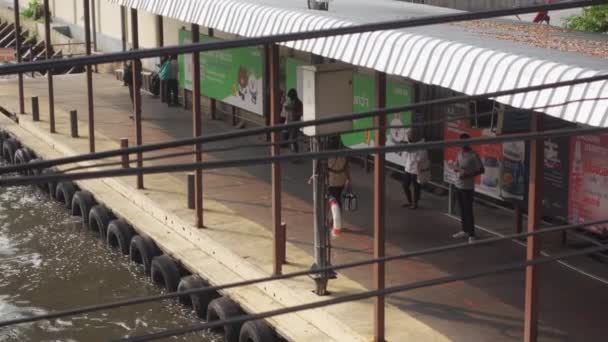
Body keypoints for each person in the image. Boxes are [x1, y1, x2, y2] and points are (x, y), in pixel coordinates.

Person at [451, 133, 485, 243]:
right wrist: (455, 168)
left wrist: (468, 175)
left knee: (468, 210)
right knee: (461, 209)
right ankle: (464, 230)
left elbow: (481, 170)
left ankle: (472, 234)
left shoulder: (474, 155)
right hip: (458, 185)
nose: (462, 144)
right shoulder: (459, 153)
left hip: (468, 187)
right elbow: (456, 166)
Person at [401, 129, 429, 209]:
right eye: (408, 136)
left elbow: (422, 158)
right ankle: (409, 201)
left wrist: (412, 152)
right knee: (405, 185)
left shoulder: (422, 145)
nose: (409, 137)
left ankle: (415, 203)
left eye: (410, 136)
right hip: (408, 168)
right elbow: (405, 156)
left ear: (415, 137)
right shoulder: (409, 144)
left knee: (416, 187)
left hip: (416, 170)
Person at [327, 137, 351, 209]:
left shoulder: (328, 156)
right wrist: (349, 179)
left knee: (332, 197)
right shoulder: (344, 156)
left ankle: (334, 213)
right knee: (338, 196)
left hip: (331, 181)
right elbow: (347, 168)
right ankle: (338, 211)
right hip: (341, 181)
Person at [284, 88, 303, 154]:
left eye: (290, 97)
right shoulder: (291, 102)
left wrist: (293, 110)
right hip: (290, 122)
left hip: (295, 123)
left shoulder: (299, 103)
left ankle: (295, 153)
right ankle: (293, 152)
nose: (290, 98)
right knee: (291, 138)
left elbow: (300, 113)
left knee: (293, 138)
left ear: (293, 96)